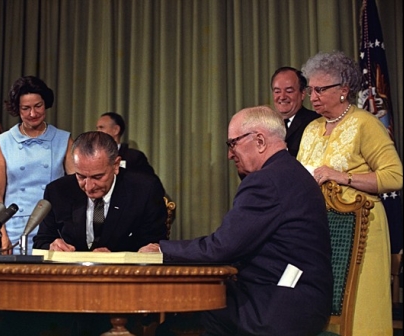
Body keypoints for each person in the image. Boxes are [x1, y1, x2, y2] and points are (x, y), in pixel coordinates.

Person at [140, 106, 333, 336]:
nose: (230, 154)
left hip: (279, 306)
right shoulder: (291, 172)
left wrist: (162, 250)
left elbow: (222, 247)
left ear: (260, 141)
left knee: (189, 316)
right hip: (301, 302)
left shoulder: (266, 181)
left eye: (233, 143)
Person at [297, 50, 403, 336]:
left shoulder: (366, 125)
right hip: (321, 232)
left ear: (344, 90)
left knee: (361, 309)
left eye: (320, 89)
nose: (312, 96)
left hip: (363, 231)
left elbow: (394, 176)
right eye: (310, 89)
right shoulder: (311, 129)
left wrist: (343, 177)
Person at [33, 131, 167, 253]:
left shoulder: (144, 190)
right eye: (81, 176)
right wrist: (52, 246)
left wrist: (116, 256)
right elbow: (41, 242)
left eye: (97, 177)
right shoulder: (57, 191)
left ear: (116, 165)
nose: (89, 186)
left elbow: (154, 243)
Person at [0, 76, 75, 255]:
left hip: (54, 229)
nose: (33, 113)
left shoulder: (63, 140)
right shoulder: (4, 142)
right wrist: (2, 233)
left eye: (38, 106)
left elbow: (76, 187)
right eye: (26, 108)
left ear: (46, 104)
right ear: (17, 109)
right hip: (14, 228)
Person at [271, 66, 320, 157]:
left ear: (302, 94)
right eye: (277, 92)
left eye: (289, 91)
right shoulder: (267, 125)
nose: (282, 97)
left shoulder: (316, 123)